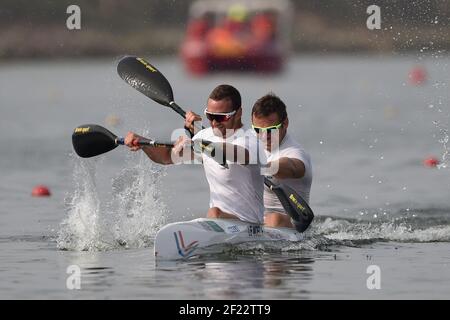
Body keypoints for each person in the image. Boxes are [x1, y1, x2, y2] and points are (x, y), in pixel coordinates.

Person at [125, 84, 266, 224]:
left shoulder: (251, 140)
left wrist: (198, 143)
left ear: (238, 113)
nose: (215, 123)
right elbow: (167, 157)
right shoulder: (205, 135)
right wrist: (143, 143)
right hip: (220, 223)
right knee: (214, 213)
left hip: (251, 226)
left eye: (221, 117)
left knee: (214, 213)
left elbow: (237, 154)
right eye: (210, 116)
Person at [251, 93, 313, 229]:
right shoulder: (251, 146)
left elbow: (292, 166)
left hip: (288, 228)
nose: (263, 136)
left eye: (270, 130)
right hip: (255, 223)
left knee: (275, 219)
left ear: (285, 123)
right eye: (258, 130)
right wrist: (195, 132)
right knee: (216, 212)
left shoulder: (295, 152)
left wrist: (262, 167)